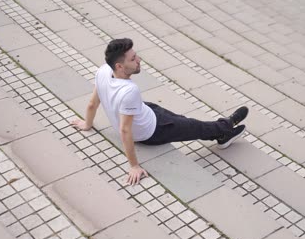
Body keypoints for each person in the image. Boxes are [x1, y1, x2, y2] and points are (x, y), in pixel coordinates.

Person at [71, 38, 248, 185]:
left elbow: (92, 103)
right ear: (119, 66)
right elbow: (125, 131)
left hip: (147, 111)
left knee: (183, 120)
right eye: (132, 59)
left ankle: (220, 134)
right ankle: (226, 128)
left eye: (136, 55)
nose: (138, 60)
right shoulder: (129, 91)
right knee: (194, 126)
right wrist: (133, 166)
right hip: (153, 131)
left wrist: (87, 124)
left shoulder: (103, 71)